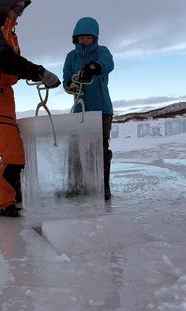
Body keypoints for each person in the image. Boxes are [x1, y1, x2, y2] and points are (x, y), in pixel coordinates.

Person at [0, 0, 61, 217]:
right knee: (13, 154)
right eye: (17, 8)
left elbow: (11, 67)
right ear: (4, 5)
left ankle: (11, 199)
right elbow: (4, 59)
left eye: (23, 9)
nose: (20, 13)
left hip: (3, 100)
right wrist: (37, 71)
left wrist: (28, 73)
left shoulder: (8, 32)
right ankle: (3, 204)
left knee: (13, 153)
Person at [63, 17, 114, 200]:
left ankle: (103, 187)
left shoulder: (102, 51)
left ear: (95, 38)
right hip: (80, 111)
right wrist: (71, 85)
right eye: (80, 37)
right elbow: (66, 80)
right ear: (75, 38)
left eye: (88, 37)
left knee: (100, 149)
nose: (84, 41)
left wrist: (93, 67)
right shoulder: (71, 57)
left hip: (101, 109)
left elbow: (108, 64)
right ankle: (75, 186)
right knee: (75, 149)